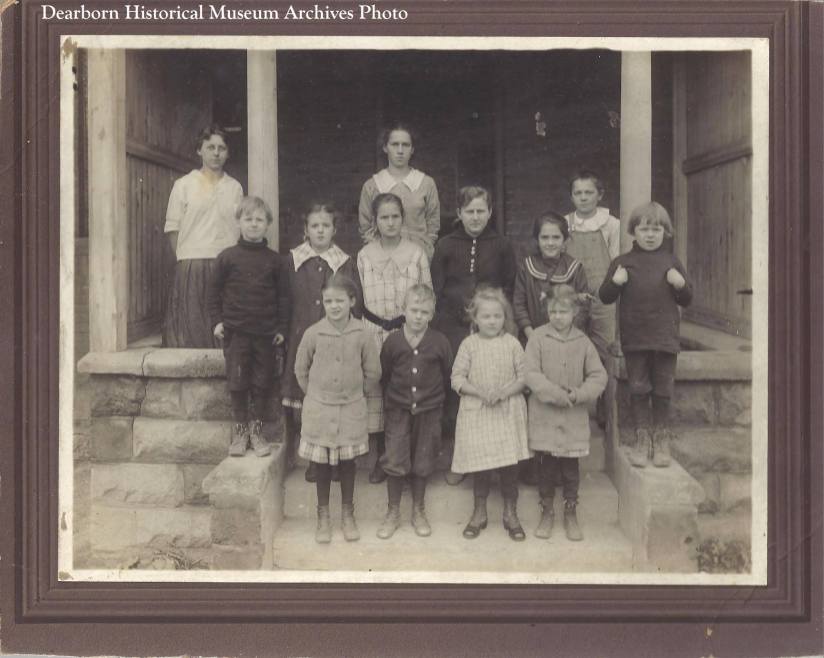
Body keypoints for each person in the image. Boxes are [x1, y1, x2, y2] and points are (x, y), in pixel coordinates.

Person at [431, 185, 517, 485]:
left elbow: (508, 287)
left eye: (481, 211)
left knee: (491, 388)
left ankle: (495, 460)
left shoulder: (502, 245)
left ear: (490, 212)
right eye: (470, 211)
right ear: (459, 213)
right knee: (460, 394)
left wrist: (494, 322)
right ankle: (462, 460)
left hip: (491, 327)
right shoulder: (445, 245)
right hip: (452, 327)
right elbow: (437, 289)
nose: (476, 217)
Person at [599, 202, 693, 468]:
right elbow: (605, 297)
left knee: (663, 389)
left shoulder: (672, 262)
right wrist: (615, 282)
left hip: (665, 338)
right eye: (644, 229)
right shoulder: (623, 263)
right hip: (635, 339)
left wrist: (681, 284)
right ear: (633, 231)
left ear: (665, 232)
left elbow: (687, 299)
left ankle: (661, 439)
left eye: (656, 230)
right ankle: (642, 439)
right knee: (639, 388)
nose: (650, 235)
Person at [294, 273, 381, 544]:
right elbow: (300, 370)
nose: (334, 306)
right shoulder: (313, 333)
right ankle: (323, 516)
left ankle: (347, 513)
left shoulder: (362, 333)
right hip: (319, 410)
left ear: (352, 301)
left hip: (351, 409)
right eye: (329, 301)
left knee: (347, 463)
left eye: (340, 301)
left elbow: (373, 371)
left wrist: (355, 394)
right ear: (322, 302)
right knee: (320, 464)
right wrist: (316, 395)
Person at [281, 201, 362, 483]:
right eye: (314, 226)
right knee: (310, 403)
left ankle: (336, 460)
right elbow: (284, 300)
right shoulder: (292, 261)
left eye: (326, 226)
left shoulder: (343, 263)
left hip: (334, 344)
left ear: (334, 229)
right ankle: (315, 461)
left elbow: (354, 303)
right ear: (306, 229)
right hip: (301, 340)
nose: (320, 231)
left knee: (333, 402)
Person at [512, 210, 592, 486]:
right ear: (537, 239)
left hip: (565, 346)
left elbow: (582, 307)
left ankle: (562, 466)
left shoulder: (575, 269)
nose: (550, 242)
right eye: (544, 237)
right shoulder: (527, 267)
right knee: (535, 400)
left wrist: (564, 335)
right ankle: (534, 467)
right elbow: (519, 303)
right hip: (533, 340)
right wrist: (531, 333)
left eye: (556, 237)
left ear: (565, 239)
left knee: (562, 400)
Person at [357, 193, 432, 484]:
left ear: (403, 218)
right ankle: (382, 458)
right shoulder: (365, 255)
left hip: (406, 332)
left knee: (403, 393)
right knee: (377, 394)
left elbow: (427, 295)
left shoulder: (416, 254)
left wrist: (417, 331)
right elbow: (359, 298)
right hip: (373, 331)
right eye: (384, 217)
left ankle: (405, 457)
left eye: (395, 217)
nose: (390, 223)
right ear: (375, 221)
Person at [207, 196, 289, 458]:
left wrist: (281, 328)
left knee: (262, 382)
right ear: (239, 222)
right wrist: (217, 321)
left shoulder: (276, 261)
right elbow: (213, 293)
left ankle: (257, 431)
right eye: (248, 219)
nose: (254, 224)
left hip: (265, 334)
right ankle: (241, 431)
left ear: (268, 224)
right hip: (236, 332)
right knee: (238, 381)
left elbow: (284, 297)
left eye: (259, 220)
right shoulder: (227, 258)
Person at [524, 285, 607, 541]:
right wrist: (553, 393)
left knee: (570, 468)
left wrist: (578, 394)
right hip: (545, 415)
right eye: (553, 311)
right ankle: (547, 511)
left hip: (573, 416)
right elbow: (530, 373)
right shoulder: (537, 338)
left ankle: (571, 512)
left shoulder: (583, 342)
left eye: (563, 311)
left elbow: (598, 376)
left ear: (575, 312)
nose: (558, 316)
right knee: (546, 467)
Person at [450, 287, 530, 542]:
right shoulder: (469, 345)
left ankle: (510, 513)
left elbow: (525, 377)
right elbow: (457, 378)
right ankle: (479, 512)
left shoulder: (512, 344)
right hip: (479, 412)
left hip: (507, 411)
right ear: (475, 318)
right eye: (486, 316)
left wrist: (504, 392)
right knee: (481, 465)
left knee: (509, 465)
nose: (492, 321)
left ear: (505, 317)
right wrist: (479, 392)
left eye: (497, 316)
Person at [376, 285, 453, 539]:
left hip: (430, 411)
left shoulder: (440, 342)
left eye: (424, 312)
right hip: (398, 409)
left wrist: (434, 402)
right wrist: (397, 400)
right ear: (404, 310)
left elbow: (447, 375)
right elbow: (385, 374)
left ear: (432, 314)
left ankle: (418, 510)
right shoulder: (393, 342)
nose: (419, 316)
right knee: (395, 457)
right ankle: (393, 511)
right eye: (414, 310)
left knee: (423, 458)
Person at [164, 125, 243, 347]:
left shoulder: (235, 187)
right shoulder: (184, 185)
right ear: (199, 150)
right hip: (192, 264)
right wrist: (186, 261)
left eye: (222, 148)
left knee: (223, 328)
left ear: (228, 153)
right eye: (210, 147)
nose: (216, 153)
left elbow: (239, 227)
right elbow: (173, 229)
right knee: (193, 329)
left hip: (226, 263)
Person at [358, 122, 441, 260]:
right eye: (395, 144)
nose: (400, 150)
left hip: (418, 257)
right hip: (383, 259)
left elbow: (433, 223)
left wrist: (425, 249)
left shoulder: (426, 183)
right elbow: (365, 227)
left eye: (406, 145)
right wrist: (379, 254)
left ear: (412, 149)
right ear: (385, 147)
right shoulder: (372, 185)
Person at [563, 170, 621, 362]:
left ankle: (604, 382)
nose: (583, 197)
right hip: (572, 293)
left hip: (603, 294)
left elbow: (616, 260)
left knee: (604, 347)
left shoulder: (611, 224)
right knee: (571, 347)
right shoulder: (564, 224)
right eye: (578, 193)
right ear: (571, 196)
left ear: (600, 195)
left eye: (589, 192)